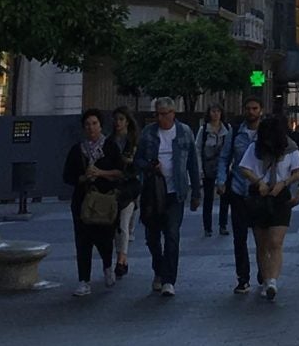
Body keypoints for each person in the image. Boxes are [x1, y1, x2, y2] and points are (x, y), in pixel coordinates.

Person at [132, 98, 200, 295]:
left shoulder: (184, 132)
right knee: (152, 237)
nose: (160, 117)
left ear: (173, 113)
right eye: (158, 114)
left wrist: (196, 192)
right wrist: (150, 166)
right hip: (153, 193)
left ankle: (169, 279)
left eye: (164, 113)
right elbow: (138, 160)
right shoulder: (148, 133)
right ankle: (159, 269)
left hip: (175, 193)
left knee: (172, 235)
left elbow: (192, 164)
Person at [237, 114, 299, 300]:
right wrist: (258, 182)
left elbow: (298, 171)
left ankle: (272, 281)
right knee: (261, 243)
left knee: (276, 241)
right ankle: (266, 279)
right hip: (260, 195)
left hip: (280, 195)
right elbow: (243, 168)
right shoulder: (254, 148)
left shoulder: (290, 148)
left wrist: (284, 182)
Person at [63, 110, 126, 296]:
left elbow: (120, 172)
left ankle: (108, 266)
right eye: (88, 124)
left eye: (94, 123)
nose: (91, 128)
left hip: (105, 201)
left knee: (105, 238)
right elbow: (67, 176)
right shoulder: (77, 150)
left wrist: (100, 173)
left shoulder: (110, 147)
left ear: (100, 125)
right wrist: (82, 177)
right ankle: (84, 280)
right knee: (83, 241)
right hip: (83, 201)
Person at [219, 95, 265, 293]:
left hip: (261, 191)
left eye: (255, 108)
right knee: (239, 237)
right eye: (248, 108)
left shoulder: (266, 132)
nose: (251, 112)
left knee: (261, 237)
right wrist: (221, 180)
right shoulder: (236, 132)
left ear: (261, 110)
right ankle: (243, 277)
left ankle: (264, 273)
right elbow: (224, 157)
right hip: (238, 190)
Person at [107, 107, 141, 285]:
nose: (118, 123)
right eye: (116, 119)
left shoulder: (134, 141)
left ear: (127, 121)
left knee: (123, 223)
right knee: (115, 226)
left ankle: (121, 259)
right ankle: (121, 257)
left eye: (121, 119)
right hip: (114, 186)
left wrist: (131, 163)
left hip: (129, 186)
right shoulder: (110, 141)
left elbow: (139, 164)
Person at [196, 107, 231, 237]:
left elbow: (230, 148)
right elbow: (197, 148)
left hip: (223, 165)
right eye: (213, 111)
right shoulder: (204, 129)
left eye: (218, 111)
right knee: (208, 197)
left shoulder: (227, 128)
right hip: (208, 165)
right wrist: (200, 169)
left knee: (224, 197)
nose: (215, 114)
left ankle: (223, 225)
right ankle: (207, 227)